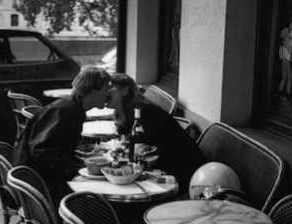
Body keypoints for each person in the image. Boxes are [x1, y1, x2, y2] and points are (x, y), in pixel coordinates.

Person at [12, 67, 110, 206]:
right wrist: (78, 171)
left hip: (39, 178)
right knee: (100, 198)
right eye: (106, 91)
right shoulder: (66, 111)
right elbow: (42, 152)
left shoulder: (71, 107)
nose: (108, 95)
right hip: (41, 187)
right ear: (94, 92)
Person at [107, 73, 206, 192]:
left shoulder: (146, 115)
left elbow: (150, 153)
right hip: (161, 167)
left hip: (183, 172)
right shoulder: (123, 114)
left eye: (110, 88)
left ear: (125, 90)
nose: (106, 93)